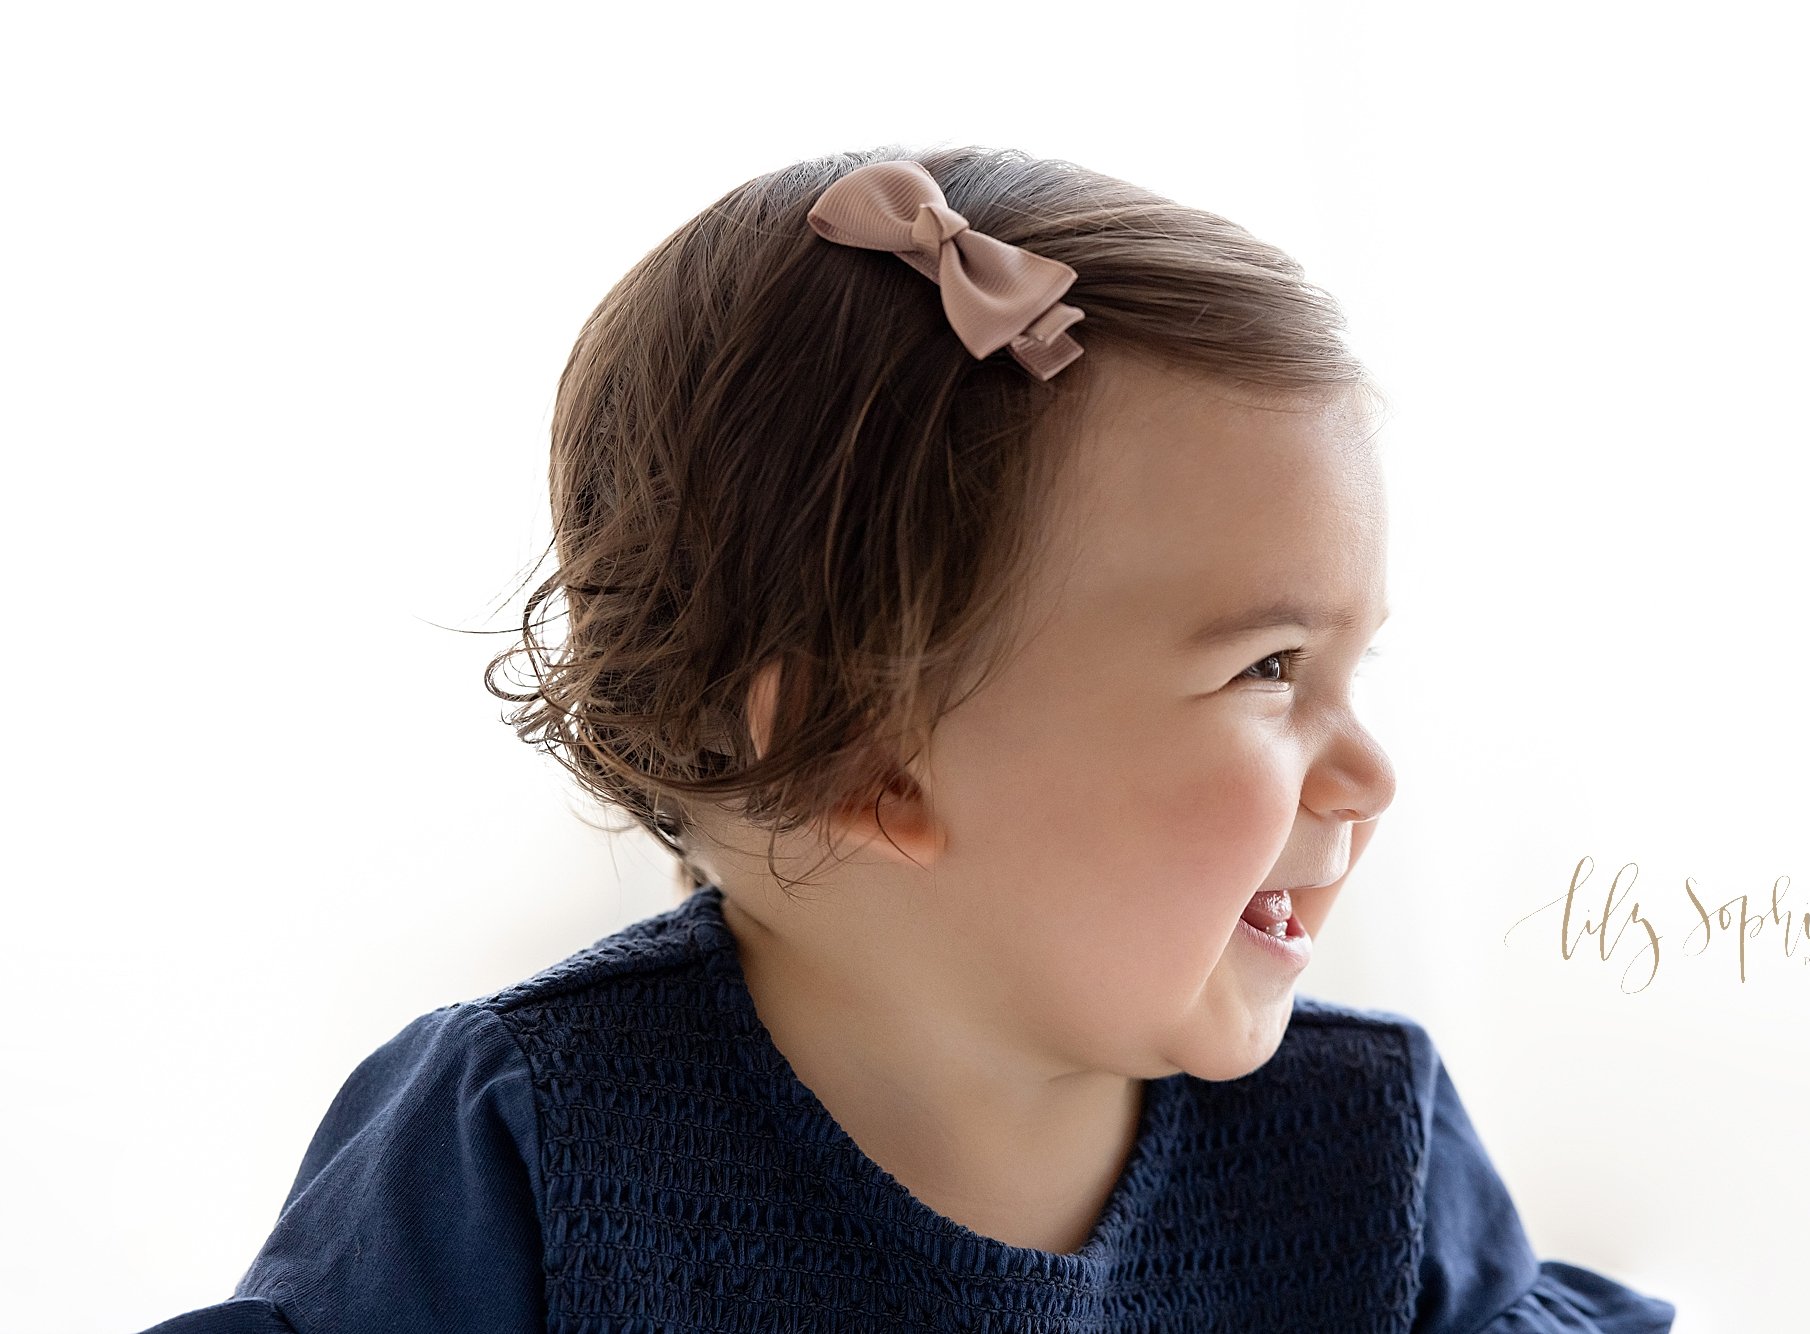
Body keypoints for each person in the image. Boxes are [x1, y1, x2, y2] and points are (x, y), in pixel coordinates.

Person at [138, 144, 1676, 1333]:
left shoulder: (1370, 1159)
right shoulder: (533, 1145)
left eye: (1357, 661)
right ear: (869, 752)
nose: (1370, 773)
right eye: (1271, 668)